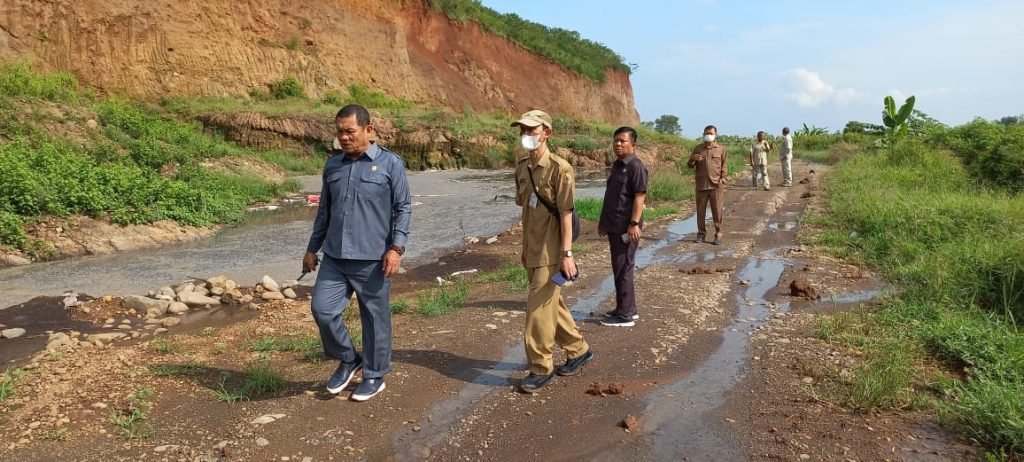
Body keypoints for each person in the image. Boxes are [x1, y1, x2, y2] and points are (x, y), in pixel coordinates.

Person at [304, 104, 412, 402]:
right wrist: (312, 248)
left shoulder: (391, 164)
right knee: (322, 310)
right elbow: (324, 212)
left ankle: (375, 376)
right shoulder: (333, 166)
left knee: (375, 319)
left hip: (374, 259)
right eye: (339, 132)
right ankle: (349, 358)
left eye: (350, 131)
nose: (344, 137)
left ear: (368, 129)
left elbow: (403, 208)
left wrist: (396, 248)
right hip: (335, 258)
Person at [512, 109, 594, 393]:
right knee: (550, 305)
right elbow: (526, 209)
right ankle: (579, 350)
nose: (526, 136)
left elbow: (566, 213)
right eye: (522, 131)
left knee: (537, 311)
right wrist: (524, 248)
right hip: (532, 249)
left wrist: (567, 254)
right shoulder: (522, 167)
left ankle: (540, 367)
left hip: (552, 250)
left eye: (531, 131)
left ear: (546, 133)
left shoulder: (561, 169)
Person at [597, 126, 648, 328]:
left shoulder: (636, 166)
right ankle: (627, 308)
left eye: (623, 141)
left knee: (624, 267)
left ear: (633, 145)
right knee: (619, 267)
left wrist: (634, 224)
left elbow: (639, 196)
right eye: (616, 141)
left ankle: (625, 314)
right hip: (614, 225)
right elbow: (611, 197)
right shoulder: (618, 165)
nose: (618, 144)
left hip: (626, 227)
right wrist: (603, 223)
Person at [687, 125, 728, 245]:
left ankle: (718, 234)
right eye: (706, 133)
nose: (708, 135)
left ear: (716, 134)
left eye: (710, 133)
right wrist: (692, 159)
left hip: (716, 185)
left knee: (717, 211)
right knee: (700, 211)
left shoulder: (721, 149)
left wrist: (723, 178)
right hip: (701, 185)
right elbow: (690, 165)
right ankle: (701, 234)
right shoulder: (698, 148)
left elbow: (724, 165)